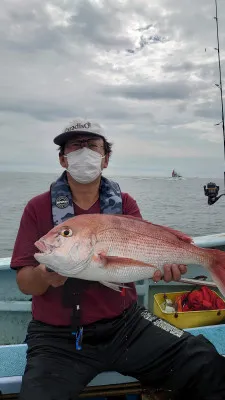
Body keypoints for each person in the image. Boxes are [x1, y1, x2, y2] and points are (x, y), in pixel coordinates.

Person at [11, 118, 225, 400]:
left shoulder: (124, 203)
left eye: (92, 145)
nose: (84, 151)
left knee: (206, 364)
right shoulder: (38, 208)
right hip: (58, 339)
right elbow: (25, 284)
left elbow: (142, 258)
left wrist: (163, 267)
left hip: (127, 326)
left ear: (106, 158)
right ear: (63, 159)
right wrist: (44, 276)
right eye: (75, 146)